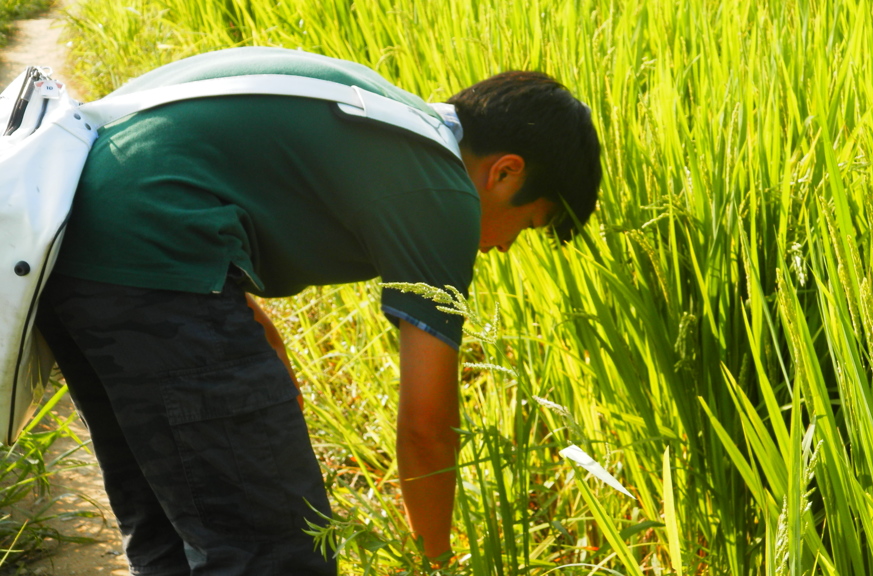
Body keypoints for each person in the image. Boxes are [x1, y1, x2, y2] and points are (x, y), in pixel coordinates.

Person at [34, 46, 601, 575]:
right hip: (153, 266)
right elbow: (428, 428)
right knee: (277, 550)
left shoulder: (382, 114)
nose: (502, 247)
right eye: (527, 225)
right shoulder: (445, 191)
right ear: (506, 172)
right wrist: (434, 562)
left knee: (171, 528)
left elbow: (199, 161)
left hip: (66, 241)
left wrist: (248, 319)